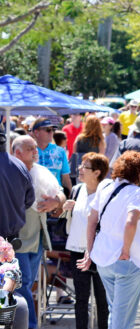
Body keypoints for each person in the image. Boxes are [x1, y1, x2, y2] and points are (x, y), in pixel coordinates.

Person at [76, 150, 140, 329]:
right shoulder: (137, 193)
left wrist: (90, 250)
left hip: (104, 258)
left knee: (116, 313)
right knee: (122, 320)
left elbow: (91, 220)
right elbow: (130, 222)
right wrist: (126, 250)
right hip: (127, 260)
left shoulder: (104, 187)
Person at [11, 135, 64, 329]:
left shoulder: (42, 171)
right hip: (18, 239)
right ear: (17, 153)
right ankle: (30, 324)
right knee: (22, 284)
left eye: (35, 148)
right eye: (31, 148)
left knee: (25, 284)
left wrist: (56, 201)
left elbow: (61, 192)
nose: (36, 151)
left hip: (39, 238)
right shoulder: (9, 173)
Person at [62, 152, 110, 329]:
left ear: (97, 172)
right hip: (77, 249)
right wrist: (65, 208)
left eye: (85, 167)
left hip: (100, 252)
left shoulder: (106, 193)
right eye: (80, 166)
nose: (79, 170)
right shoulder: (77, 189)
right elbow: (69, 218)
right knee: (81, 298)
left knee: (102, 300)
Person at [32, 118, 72, 192]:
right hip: (33, 197)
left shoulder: (60, 151)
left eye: (53, 129)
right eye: (48, 130)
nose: (51, 132)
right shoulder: (29, 150)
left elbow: (66, 178)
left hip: (56, 197)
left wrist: (70, 197)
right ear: (36, 132)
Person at [1, 236, 29, 329]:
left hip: (3, 292)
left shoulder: (3, 245)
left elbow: (12, 273)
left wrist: (4, 293)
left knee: (20, 304)